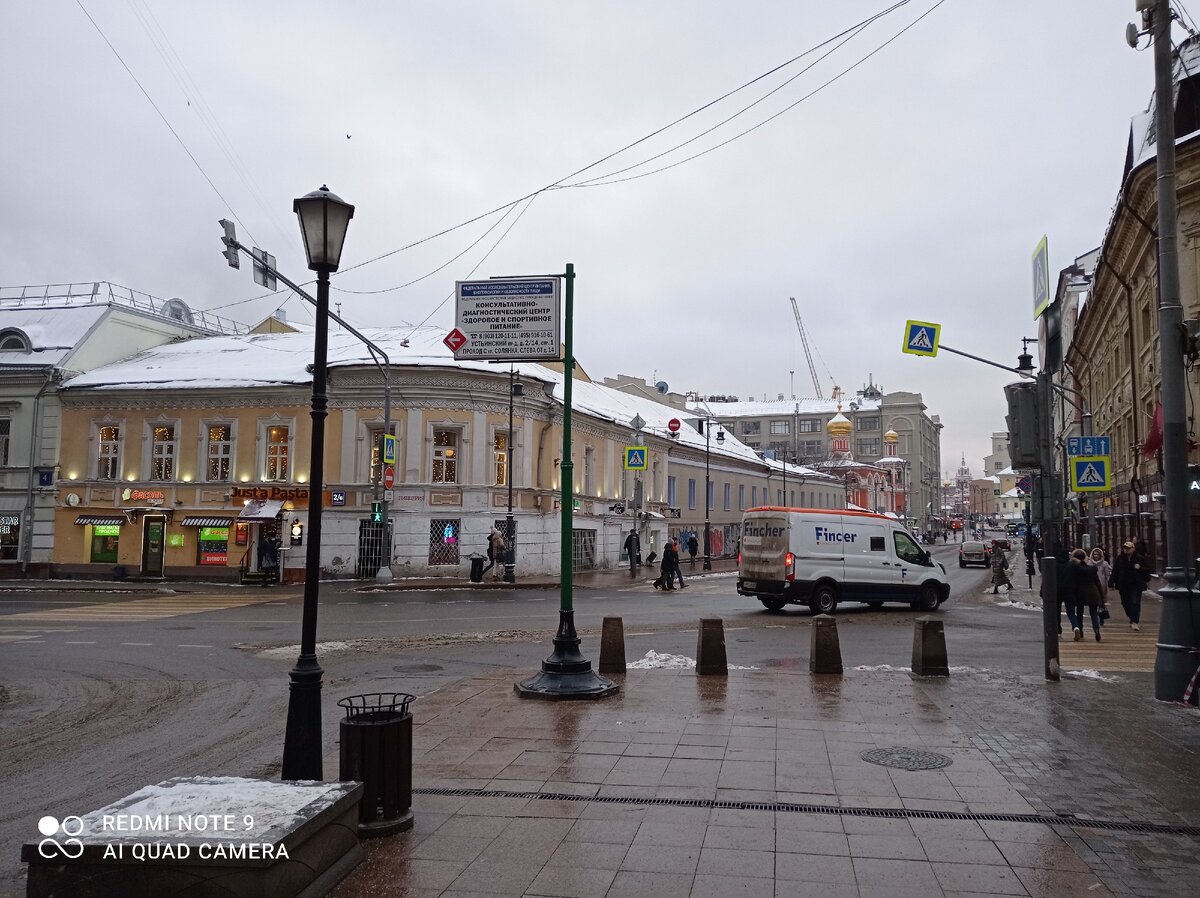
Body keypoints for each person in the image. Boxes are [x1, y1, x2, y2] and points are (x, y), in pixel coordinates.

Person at [1112, 539, 1149, 630]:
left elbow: (1148, 571)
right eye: (1125, 548)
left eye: (1128, 548)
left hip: (1136, 584)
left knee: (1135, 602)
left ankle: (1135, 621)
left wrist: (1140, 568)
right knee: (1125, 603)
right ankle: (1131, 617)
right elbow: (1115, 572)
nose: (1126, 550)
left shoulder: (1139, 558)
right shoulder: (1119, 559)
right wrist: (1110, 583)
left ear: (1133, 549)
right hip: (1123, 584)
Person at [1070, 549, 1104, 641]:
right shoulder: (1092, 569)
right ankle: (1096, 630)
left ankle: (1080, 630)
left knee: (1079, 612)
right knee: (1094, 612)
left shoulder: (1074, 569)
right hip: (1093, 592)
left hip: (1080, 593)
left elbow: (1072, 582)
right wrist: (1101, 597)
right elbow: (1097, 583)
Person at [1087, 546, 1112, 624]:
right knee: (1094, 601)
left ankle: (1101, 616)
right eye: (1094, 554)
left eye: (1097, 554)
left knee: (1101, 601)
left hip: (1102, 585)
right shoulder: (1089, 563)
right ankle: (1095, 616)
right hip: (1092, 584)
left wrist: (1109, 583)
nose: (1096, 556)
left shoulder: (1104, 563)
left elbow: (1107, 574)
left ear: (1100, 555)